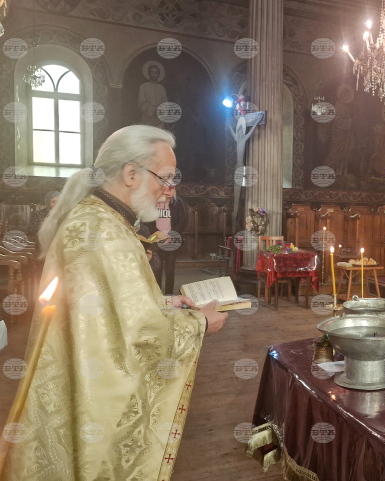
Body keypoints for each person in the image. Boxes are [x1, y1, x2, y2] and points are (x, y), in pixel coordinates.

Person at [2, 126, 227, 480]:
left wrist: (164, 303)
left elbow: (108, 308)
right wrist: (200, 323)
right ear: (131, 174)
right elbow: (137, 333)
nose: (171, 190)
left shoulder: (100, 219)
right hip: (93, 391)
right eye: (166, 178)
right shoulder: (103, 230)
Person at [145, 194, 188, 294]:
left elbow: (183, 221)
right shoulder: (153, 201)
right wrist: (159, 234)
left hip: (172, 239)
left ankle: (169, 294)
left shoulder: (178, 202)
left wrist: (170, 234)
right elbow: (148, 221)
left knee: (170, 270)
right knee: (157, 268)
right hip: (157, 239)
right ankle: (158, 294)